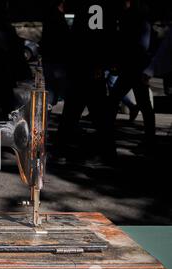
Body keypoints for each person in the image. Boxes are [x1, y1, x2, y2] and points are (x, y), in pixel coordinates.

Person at [55, 0, 119, 164]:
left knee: (73, 113)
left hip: (85, 67)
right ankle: (108, 153)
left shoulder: (91, 7)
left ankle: (61, 151)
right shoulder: (101, 7)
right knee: (93, 114)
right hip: (89, 66)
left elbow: (89, 37)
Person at [109, 0, 155, 146]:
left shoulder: (135, 18)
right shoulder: (135, 17)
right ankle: (149, 137)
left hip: (133, 67)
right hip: (134, 67)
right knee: (143, 104)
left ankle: (107, 133)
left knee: (116, 98)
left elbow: (138, 45)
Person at [0, 20, 31, 121]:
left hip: (2, 73)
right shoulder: (1, 36)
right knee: (0, 98)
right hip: (2, 73)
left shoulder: (1, 35)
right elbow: (11, 53)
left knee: (1, 98)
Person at [41, 0, 70, 106]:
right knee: (63, 91)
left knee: (51, 90)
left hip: (50, 60)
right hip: (58, 61)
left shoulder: (50, 16)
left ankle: (45, 115)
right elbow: (65, 40)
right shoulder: (58, 18)